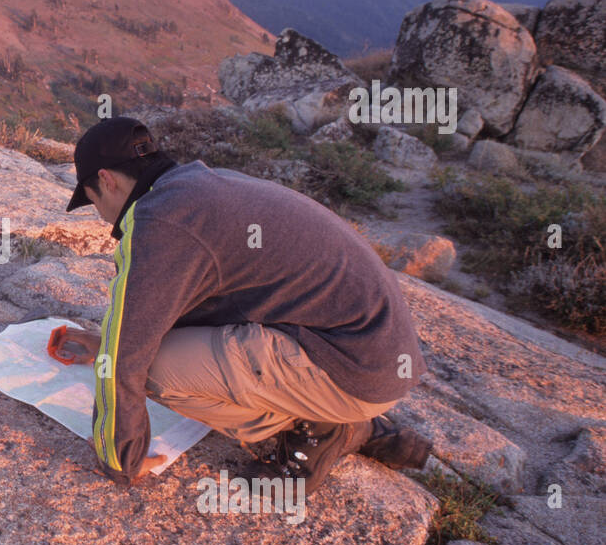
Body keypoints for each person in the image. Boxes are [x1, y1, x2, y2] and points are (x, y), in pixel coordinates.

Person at [61, 115, 433, 493]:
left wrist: (121, 459)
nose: (103, 217)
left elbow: (128, 356)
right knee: (149, 349)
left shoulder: (159, 219)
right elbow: (172, 305)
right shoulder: (197, 186)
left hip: (353, 370)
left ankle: (322, 427)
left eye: (93, 202)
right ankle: (341, 416)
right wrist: (103, 342)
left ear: (106, 180)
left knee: (155, 370)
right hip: (373, 356)